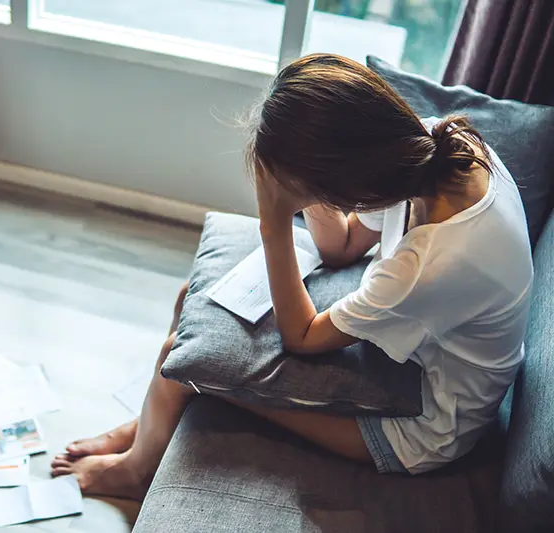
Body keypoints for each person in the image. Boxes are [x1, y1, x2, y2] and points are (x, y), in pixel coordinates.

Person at [50, 54, 533, 498]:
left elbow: (300, 337)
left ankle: (135, 471)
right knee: (190, 299)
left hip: (424, 425)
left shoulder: (430, 263)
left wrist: (275, 219)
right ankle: (144, 423)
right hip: (412, 347)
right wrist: (307, 186)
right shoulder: (431, 148)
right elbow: (341, 247)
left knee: (180, 365)